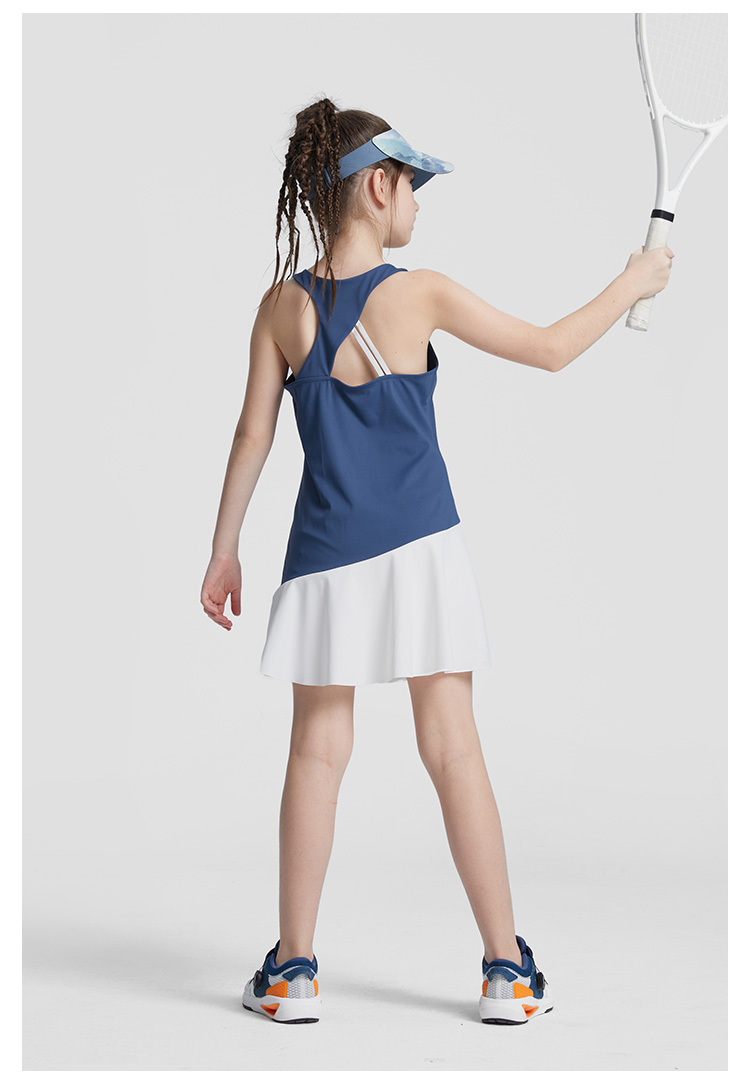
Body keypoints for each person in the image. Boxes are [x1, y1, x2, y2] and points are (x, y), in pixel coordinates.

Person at [200, 97, 674, 1026]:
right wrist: (633, 282)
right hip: (422, 552)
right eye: (414, 186)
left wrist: (224, 550)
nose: (418, 203)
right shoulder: (420, 294)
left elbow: (252, 435)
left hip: (324, 561)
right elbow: (549, 350)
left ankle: (293, 973)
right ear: (379, 186)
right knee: (454, 747)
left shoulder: (282, 308)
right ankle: (506, 973)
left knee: (316, 752)